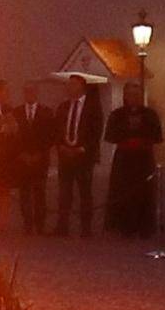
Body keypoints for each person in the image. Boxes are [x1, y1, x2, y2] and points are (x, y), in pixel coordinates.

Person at [104, 86, 158, 243]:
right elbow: (110, 135)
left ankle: (145, 226)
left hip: (143, 159)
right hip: (124, 159)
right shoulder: (117, 115)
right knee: (123, 191)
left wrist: (141, 139)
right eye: (130, 95)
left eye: (136, 95)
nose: (133, 98)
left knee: (144, 192)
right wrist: (127, 138)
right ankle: (123, 226)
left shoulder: (150, 114)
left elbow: (156, 135)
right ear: (125, 96)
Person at [55, 81, 103, 238]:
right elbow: (56, 130)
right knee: (64, 192)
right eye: (68, 84)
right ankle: (62, 226)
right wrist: (61, 147)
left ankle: (86, 228)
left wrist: (83, 148)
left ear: (81, 87)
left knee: (85, 192)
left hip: (83, 157)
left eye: (73, 84)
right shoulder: (62, 107)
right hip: (65, 156)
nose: (69, 87)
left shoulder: (93, 108)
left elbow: (96, 132)